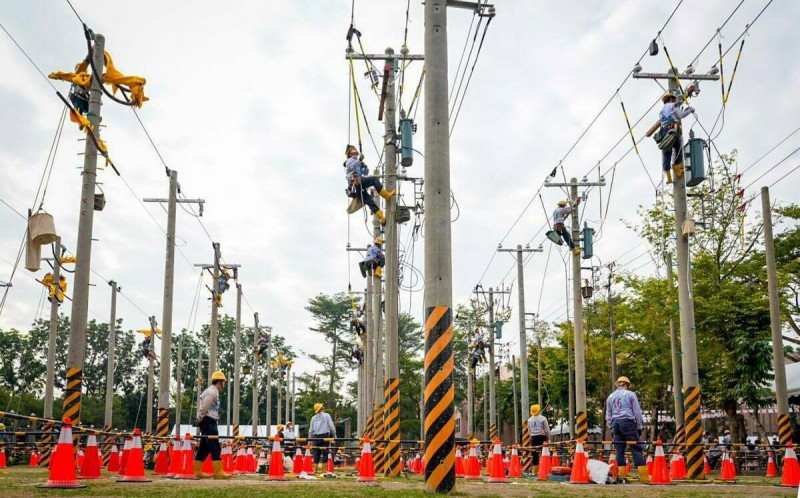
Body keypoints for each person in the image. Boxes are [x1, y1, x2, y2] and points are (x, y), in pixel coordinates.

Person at [606, 376, 647, 482]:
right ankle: (643, 477)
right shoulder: (630, 394)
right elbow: (637, 412)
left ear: (617, 384)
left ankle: (622, 476)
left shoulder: (610, 397)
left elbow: (608, 415)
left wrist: (611, 426)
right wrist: (639, 426)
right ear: (627, 385)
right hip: (628, 422)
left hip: (615, 423)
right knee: (636, 448)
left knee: (619, 449)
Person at [648, 93, 695, 184]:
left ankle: (669, 177)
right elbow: (680, 115)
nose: (674, 100)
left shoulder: (661, 111)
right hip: (673, 129)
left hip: (664, 130)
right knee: (679, 148)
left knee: (666, 150)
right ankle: (677, 167)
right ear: (670, 99)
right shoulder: (673, 105)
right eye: (673, 99)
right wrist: (690, 110)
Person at [344, 145, 395, 225]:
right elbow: (352, 166)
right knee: (373, 179)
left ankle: (381, 217)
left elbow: (365, 172)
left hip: (359, 185)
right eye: (354, 152)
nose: (356, 154)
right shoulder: (349, 161)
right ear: (349, 154)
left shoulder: (357, 162)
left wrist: (365, 167)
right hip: (356, 181)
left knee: (369, 201)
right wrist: (359, 161)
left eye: (356, 152)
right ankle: (386, 195)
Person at [194, 370, 231, 479]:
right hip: (208, 421)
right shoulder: (211, 392)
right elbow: (204, 407)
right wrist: (199, 418)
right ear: (219, 382)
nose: (224, 384)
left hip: (209, 421)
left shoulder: (213, 391)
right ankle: (218, 472)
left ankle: (197, 470)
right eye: (223, 382)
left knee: (204, 447)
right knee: (215, 446)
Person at [308, 402, 336, 471]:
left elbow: (310, 431)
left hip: (316, 437)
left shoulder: (313, 418)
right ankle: (323, 470)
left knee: (316, 453)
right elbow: (332, 427)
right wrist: (335, 436)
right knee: (325, 453)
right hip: (325, 436)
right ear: (322, 408)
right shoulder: (327, 415)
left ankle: (315, 470)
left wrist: (310, 440)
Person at [527, 404, 550, 475]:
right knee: (545, 452)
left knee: (535, 455)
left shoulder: (529, 420)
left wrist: (532, 436)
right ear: (539, 410)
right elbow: (547, 429)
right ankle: (545, 470)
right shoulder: (543, 418)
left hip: (534, 438)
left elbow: (529, 431)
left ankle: (535, 472)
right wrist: (548, 438)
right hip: (542, 437)